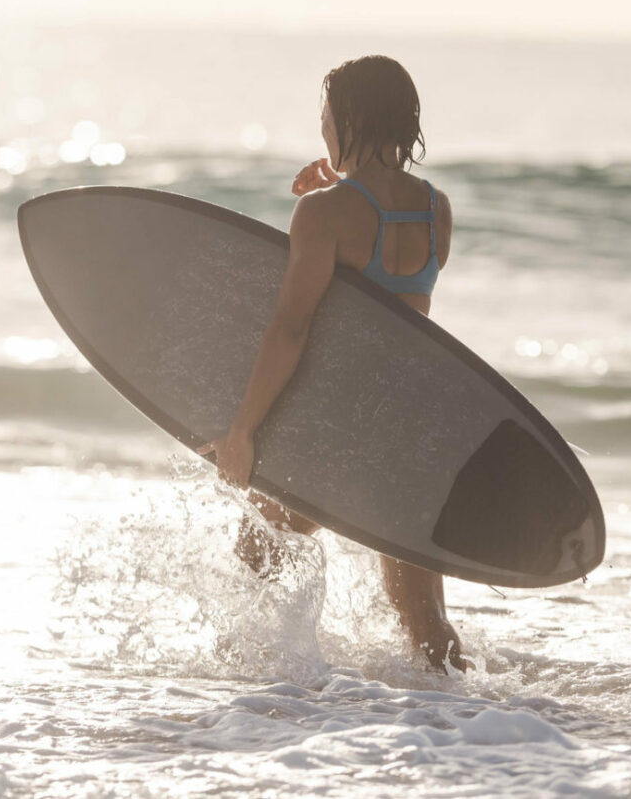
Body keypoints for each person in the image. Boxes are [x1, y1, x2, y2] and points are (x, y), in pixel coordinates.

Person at [197, 54, 469, 672]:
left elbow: (292, 329)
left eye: (325, 118)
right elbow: (389, 309)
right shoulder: (436, 211)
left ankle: (260, 688)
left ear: (349, 118)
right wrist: (339, 182)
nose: (321, 130)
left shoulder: (320, 215)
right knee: (426, 627)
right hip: (411, 431)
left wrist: (242, 431)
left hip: (342, 431)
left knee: (257, 557)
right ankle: (484, 724)